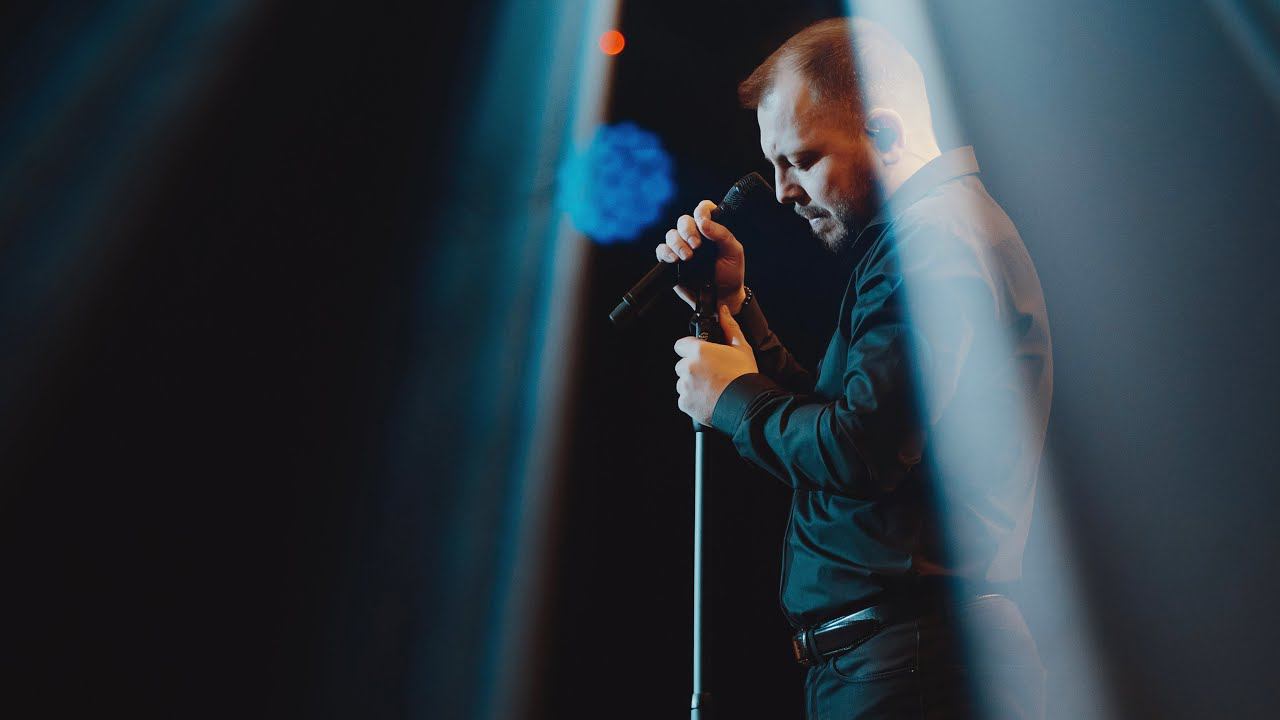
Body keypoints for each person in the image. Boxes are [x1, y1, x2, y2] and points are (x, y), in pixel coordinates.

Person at [657, 18, 1053, 719]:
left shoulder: (932, 244)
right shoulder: (925, 237)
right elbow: (846, 426)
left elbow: (860, 449)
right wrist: (737, 310)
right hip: (901, 659)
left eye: (801, 160)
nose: (782, 191)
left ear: (886, 133)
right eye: (775, 165)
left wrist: (732, 398)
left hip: (911, 666)